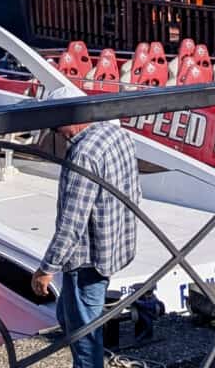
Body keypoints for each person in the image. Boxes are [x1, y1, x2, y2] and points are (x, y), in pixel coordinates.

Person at [31, 86, 140, 368]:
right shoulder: (118, 135)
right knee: (69, 317)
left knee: (85, 339)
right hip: (114, 246)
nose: (57, 133)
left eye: (57, 127)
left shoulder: (83, 154)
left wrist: (46, 269)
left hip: (88, 258)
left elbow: (72, 222)